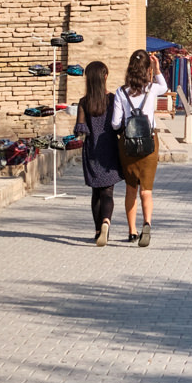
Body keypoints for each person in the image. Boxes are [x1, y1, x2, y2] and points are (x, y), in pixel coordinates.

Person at [111, 47, 162, 246]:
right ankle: (146, 223)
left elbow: (116, 123)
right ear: (147, 69)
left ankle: (131, 231)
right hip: (150, 144)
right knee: (146, 190)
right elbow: (164, 86)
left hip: (128, 145)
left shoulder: (121, 92)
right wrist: (156, 69)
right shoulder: (153, 88)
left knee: (131, 189)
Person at [72, 58, 120, 245]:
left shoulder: (84, 102)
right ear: (105, 76)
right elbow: (118, 125)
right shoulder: (113, 99)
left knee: (96, 193)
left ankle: (98, 229)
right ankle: (107, 221)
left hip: (92, 150)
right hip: (109, 148)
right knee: (108, 192)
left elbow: (80, 129)